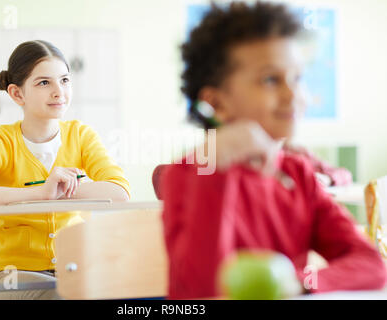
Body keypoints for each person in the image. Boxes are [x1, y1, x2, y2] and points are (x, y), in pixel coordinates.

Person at [161, 2, 386, 299]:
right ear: (216, 103)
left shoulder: (298, 173)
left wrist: (299, 280)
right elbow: (204, 290)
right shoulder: (188, 173)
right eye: (270, 79)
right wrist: (216, 165)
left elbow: (371, 264)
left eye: (297, 77)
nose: (293, 94)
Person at [0, 40, 130, 299]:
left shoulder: (81, 135)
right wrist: (40, 194)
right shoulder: (0, 141)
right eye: (44, 83)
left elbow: (119, 191)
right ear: (17, 94)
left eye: (64, 80)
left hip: (74, 269)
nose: (59, 92)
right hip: (14, 276)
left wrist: (61, 191)